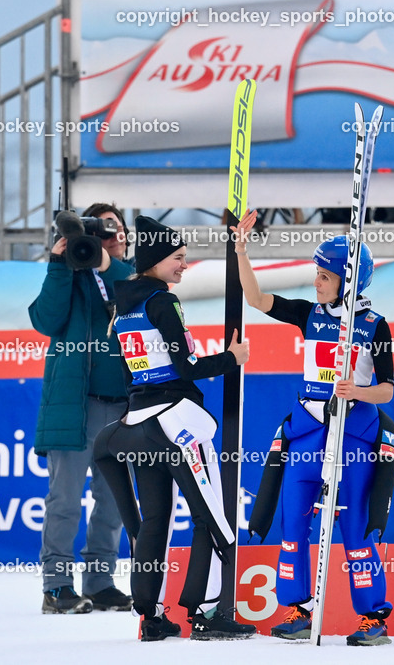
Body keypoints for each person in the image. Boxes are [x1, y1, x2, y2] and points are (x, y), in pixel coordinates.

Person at [235, 209, 394, 647]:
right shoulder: (308, 313)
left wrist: (357, 392)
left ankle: (372, 618)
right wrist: (240, 251)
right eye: (317, 273)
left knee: (356, 529)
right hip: (309, 431)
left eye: (325, 275)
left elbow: (387, 390)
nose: (316, 281)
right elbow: (256, 300)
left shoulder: (374, 326)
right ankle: (296, 609)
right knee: (294, 523)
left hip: (353, 436)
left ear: (348, 280)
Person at [92, 215, 256, 642]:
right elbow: (186, 367)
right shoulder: (163, 301)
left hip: (138, 424)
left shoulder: (123, 303)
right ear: (156, 261)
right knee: (213, 518)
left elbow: (135, 371)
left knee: (155, 523)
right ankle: (204, 614)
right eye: (178, 259)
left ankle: (151, 617)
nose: (184, 266)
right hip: (176, 423)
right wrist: (231, 358)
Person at [30, 202, 134, 614]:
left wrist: (108, 261)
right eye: (105, 232)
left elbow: (136, 287)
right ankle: (56, 586)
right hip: (76, 407)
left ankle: (100, 581)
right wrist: (59, 266)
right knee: (65, 500)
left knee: (112, 503)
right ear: (86, 237)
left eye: (120, 229)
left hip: (123, 407)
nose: (117, 236)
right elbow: (45, 320)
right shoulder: (72, 274)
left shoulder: (132, 275)